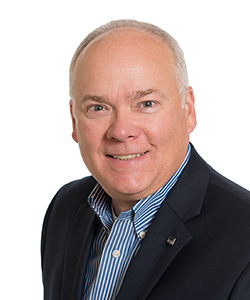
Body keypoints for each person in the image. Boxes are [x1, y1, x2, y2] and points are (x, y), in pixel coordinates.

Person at [41, 20, 250, 300]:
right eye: (98, 107)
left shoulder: (244, 241)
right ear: (75, 121)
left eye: (146, 104)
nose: (121, 131)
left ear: (188, 110)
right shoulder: (64, 209)